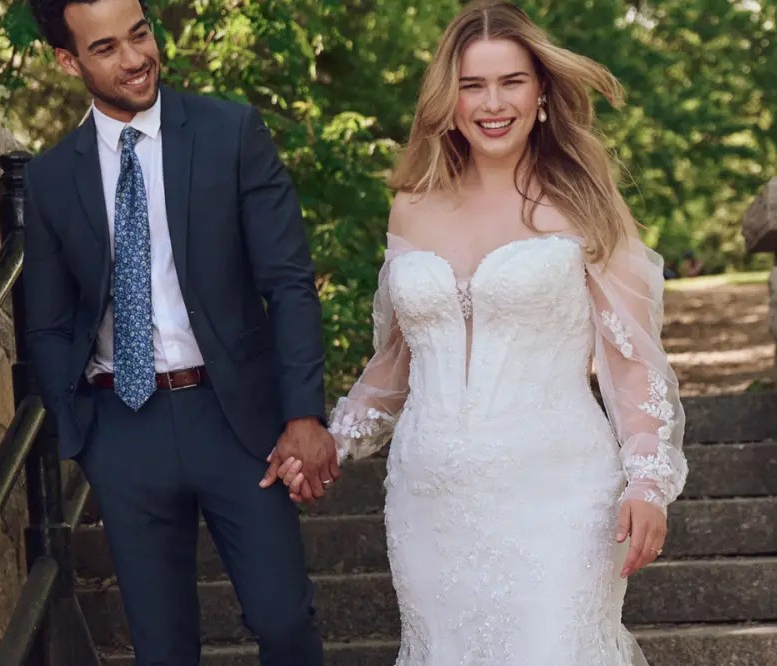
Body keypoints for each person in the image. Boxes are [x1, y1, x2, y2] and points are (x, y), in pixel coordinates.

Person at [276, 2, 688, 663]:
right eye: (472, 85)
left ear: (542, 91)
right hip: (428, 500)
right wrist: (330, 440)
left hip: (561, 494)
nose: (492, 103)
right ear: (448, 97)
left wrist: (648, 483)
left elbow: (633, 362)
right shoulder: (412, 201)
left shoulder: (583, 199)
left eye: (511, 82)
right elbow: (396, 364)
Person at [23, 0, 339, 663]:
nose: (136, 58)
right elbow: (48, 323)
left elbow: (287, 281)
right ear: (67, 60)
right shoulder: (52, 178)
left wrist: (304, 414)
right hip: (124, 425)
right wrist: (85, 432)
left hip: (236, 422)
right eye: (106, 48)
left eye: (139, 34)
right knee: (162, 649)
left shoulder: (231, 132)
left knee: (283, 621)